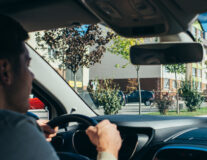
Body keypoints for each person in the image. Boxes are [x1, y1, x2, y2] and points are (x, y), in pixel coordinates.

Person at [0, 15, 121, 160]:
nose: (31, 75)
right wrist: (108, 149)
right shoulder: (12, 130)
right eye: (27, 65)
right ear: (4, 70)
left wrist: (34, 133)